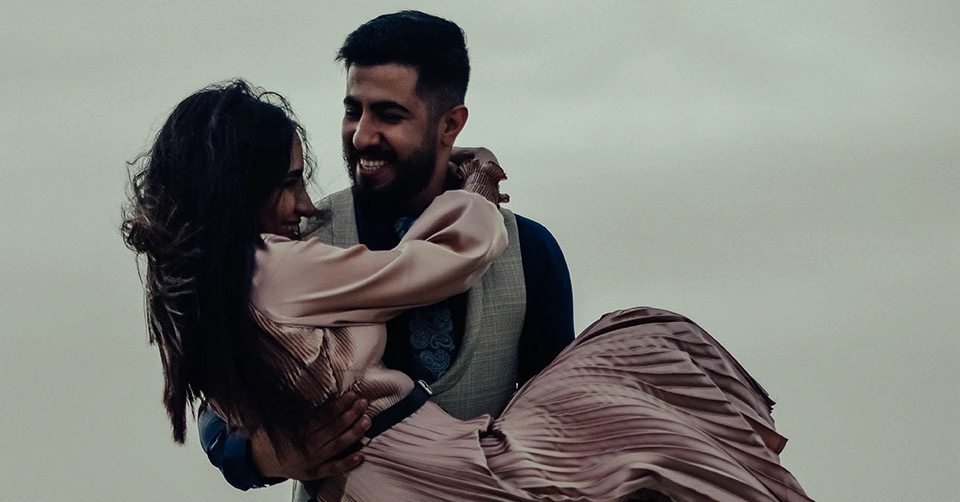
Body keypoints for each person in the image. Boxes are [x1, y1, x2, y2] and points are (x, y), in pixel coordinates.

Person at [125, 80, 810, 501]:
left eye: (397, 117)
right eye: (362, 116)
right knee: (646, 350)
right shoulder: (291, 253)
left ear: (446, 125)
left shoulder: (202, 290)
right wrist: (477, 195)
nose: (302, 202)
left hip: (426, 470)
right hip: (442, 469)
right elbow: (442, 261)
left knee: (638, 403)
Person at [197, 10, 576, 496]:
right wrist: (267, 455)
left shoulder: (531, 254)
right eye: (353, 110)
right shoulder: (297, 241)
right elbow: (218, 400)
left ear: (450, 124)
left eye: (389, 115)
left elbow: (557, 425)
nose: (361, 135)